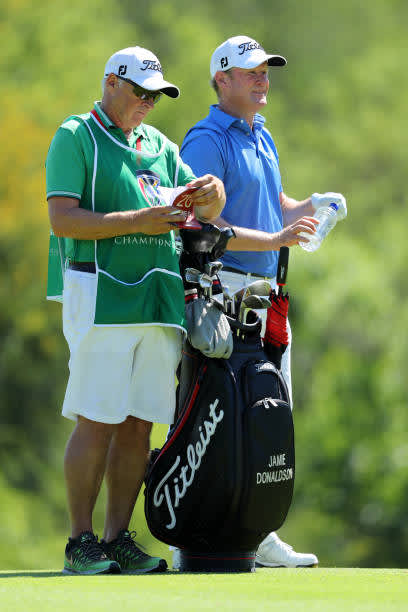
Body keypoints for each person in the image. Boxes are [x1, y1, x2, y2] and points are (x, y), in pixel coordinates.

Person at [45, 45, 225, 575]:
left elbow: (206, 209)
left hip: (158, 298)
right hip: (101, 294)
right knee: (97, 418)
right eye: (141, 92)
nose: (148, 102)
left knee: (138, 424)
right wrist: (137, 221)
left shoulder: (160, 145)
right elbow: (64, 220)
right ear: (110, 83)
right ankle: (80, 541)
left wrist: (210, 194)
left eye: (156, 95)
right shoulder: (75, 136)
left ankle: (118, 536)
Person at [179, 35, 347, 568]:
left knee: (267, 409)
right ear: (221, 80)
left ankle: (260, 530)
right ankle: (197, 532)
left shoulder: (260, 135)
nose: (262, 79)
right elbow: (203, 222)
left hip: (266, 293)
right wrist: (274, 240)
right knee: (213, 412)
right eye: (250, 72)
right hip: (222, 288)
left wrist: (310, 206)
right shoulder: (207, 140)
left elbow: (273, 204)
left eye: (265, 71)